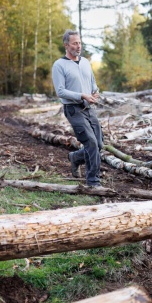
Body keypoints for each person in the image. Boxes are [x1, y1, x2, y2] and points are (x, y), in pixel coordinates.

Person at [51, 29, 104, 187]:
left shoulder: (86, 62)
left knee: (99, 144)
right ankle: (93, 182)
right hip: (74, 110)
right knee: (91, 143)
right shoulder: (59, 65)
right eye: (75, 43)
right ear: (66, 45)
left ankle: (75, 158)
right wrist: (82, 95)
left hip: (89, 108)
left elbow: (93, 83)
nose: (78, 46)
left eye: (79, 43)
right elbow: (60, 91)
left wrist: (95, 92)